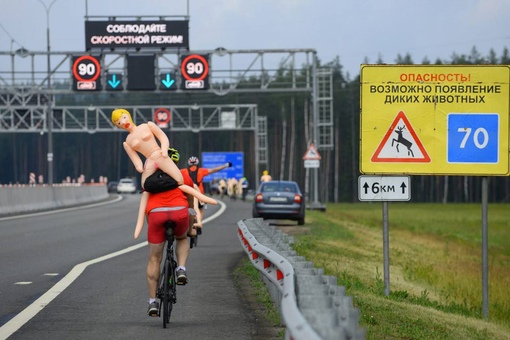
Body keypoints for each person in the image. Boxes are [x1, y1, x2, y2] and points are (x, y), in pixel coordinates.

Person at [133, 160, 197, 317]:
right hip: (179, 211)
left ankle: (153, 301)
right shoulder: (182, 175)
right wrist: (190, 227)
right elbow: (190, 201)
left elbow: (146, 206)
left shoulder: (149, 178)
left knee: (154, 258)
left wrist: (154, 228)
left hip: (156, 213)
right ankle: (181, 269)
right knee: (181, 239)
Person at [111, 108, 215, 205]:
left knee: (180, 180)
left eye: (124, 118)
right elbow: (135, 159)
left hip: (160, 154)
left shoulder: (147, 125)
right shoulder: (127, 142)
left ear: (129, 115)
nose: (124, 123)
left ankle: (201, 198)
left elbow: (163, 137)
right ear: (118, 126)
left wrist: (164, 150)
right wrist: (139, 167)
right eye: (119, 123)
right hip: (149, 161)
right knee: (144, 186)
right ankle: (141, 222)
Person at [187, 156, 232, 231]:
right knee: (200, 209)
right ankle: (199, 222)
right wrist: (226, 165)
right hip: (199, 195)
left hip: (188, 194)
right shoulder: (201, 171)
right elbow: (214, 170)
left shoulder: (184, 171)